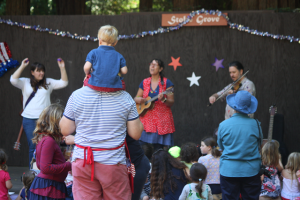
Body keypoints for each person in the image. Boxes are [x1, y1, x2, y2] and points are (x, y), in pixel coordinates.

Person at [59, 79, 143, 199]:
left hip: (83, 160)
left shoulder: (77, 95)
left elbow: (65, 129)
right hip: (112, 162)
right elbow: (136, 133)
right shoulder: (125, 97)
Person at [10, 58, 68, 167]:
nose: (41, 73)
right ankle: (34, 171)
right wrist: (22, 66)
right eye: (38, 71)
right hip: (29, 120)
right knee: (33, 146)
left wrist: (62, 68)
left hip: (45, 120)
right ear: (32, 72)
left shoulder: (48, 82)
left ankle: (45, 168)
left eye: (42, 71)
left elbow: (64, 82)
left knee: (48, 144)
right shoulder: (25, 82)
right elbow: (13, 80)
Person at [217, 90, 262, 200]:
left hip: (228, 170)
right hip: (251, 170)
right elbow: (259, 145)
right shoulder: (256, 124)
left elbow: (221, 147)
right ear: (249, 107)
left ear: (234, 106)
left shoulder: (223, 125)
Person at [29, 104, 72, 199]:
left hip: (47, 186)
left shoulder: (44, 138)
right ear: (56, 123)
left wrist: (61, 158)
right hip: (48, 188)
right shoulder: (49, 141)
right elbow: (45, 168)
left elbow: (43, 163)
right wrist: (69, 165)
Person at [134, 59, 175, 151]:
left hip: (161, 120)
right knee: (143, 148)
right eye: (151, 64)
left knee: (158, 149)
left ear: (160, 69)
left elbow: (171, 102)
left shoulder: (166, 83)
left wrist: (164, 99)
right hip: (146, 121)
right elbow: (135, 98)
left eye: (155, 65)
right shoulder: (145, 82)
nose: (152, 66)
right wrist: (139, 99)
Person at [83, 25, 127, 92]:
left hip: (95, 84)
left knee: (86, 80)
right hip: (114, 86)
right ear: (115, 42)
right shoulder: (119, 55)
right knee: (122, 83)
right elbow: (124, 71)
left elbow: (86, 67)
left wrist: (87, 74)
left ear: (100, 40)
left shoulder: (93, 52)